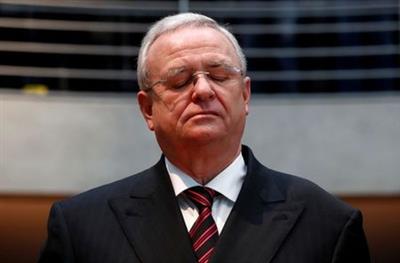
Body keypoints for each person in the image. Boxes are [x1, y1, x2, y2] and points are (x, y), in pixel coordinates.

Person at [38, 13, 370, 263]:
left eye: (220, 75)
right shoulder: (81, 226)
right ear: (148, 109)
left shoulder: (327, 222)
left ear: (245, 94)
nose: (202, 90)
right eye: (180, 80)